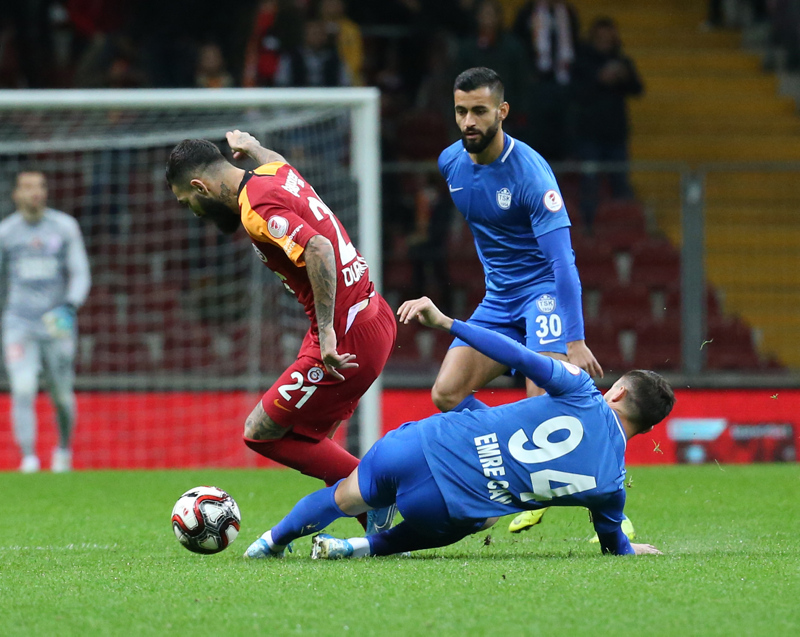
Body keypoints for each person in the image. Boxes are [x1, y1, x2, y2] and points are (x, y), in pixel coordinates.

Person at [243, 296, 674, 559]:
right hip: (444, 507)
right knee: (481, 519)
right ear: (647, 428)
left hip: (418, 447)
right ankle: (358, 548)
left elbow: (517, 354)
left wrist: (448, 323)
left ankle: (270, 542)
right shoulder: (610, 485)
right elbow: (612, 542)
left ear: (617, 392)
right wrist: (628, 549)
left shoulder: (580, 390)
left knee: (343, 497)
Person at [165, 131, 397, 533]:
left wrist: (328, 332)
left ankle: (380, 496)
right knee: (306, 439)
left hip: (347, 334)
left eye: (188, 202)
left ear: (200, 186)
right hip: (372, 314)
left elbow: (319, 248)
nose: (194, 212)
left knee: (261, 433)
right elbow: (277, 160)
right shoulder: (274, 172)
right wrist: (254, 148)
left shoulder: (255, 208)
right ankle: (377, 524)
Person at [434, 67, 603, 533]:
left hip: (541, 295)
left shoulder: (531, 175)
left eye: (479, 111)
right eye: (461, 111)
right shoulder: (451, 163)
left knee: (542, 402)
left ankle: (607, 505)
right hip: (498, 299)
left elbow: (563, 264)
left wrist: (575, 340)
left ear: (502, 111)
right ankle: (521, 457)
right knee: (446, 393)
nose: (469, 121)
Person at [0, 171, 91, 473]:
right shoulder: (6, 232)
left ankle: (63, 450)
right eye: (27, 187)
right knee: (23, 388)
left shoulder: (64, 227)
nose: (35, 192)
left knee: (62, 396)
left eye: (40, 186)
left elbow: (80, 272)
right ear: (16, 194)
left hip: (57, 322)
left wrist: (70, 305)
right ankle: (28, 459)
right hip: (19, 323)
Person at [573, 17, 643, 231]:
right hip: (590, 135)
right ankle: (587, 231)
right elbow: (575, 93)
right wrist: (598, 79)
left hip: (616, 136)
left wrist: (624, 76)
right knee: (589, 186)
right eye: (600, 38)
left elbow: (638, 89)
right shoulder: (582, 63)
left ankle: (623, 229)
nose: (604, 42)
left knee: (620, 184)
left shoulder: (622, 62)